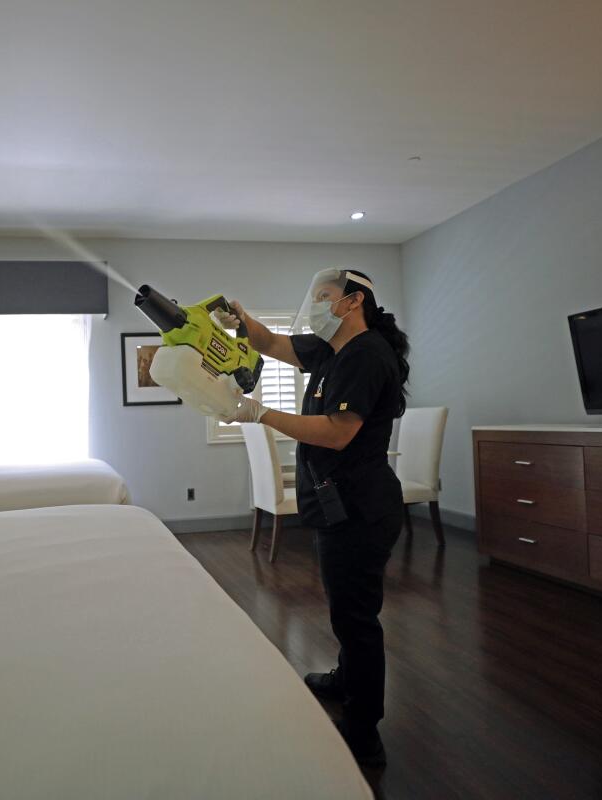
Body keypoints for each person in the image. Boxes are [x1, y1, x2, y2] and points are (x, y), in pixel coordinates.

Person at [217, 268, 408, 769]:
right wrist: (240, 318)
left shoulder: (367, 355)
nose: (315, 306)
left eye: (323, 297)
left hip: (362, 507)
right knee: (343, 605)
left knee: (356, 616)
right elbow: (272, 343)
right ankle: (347, 678)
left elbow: (337, 432)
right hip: (336, 500)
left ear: (352, 302)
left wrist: (260, 414)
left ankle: (365, 731)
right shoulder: (331, 349)